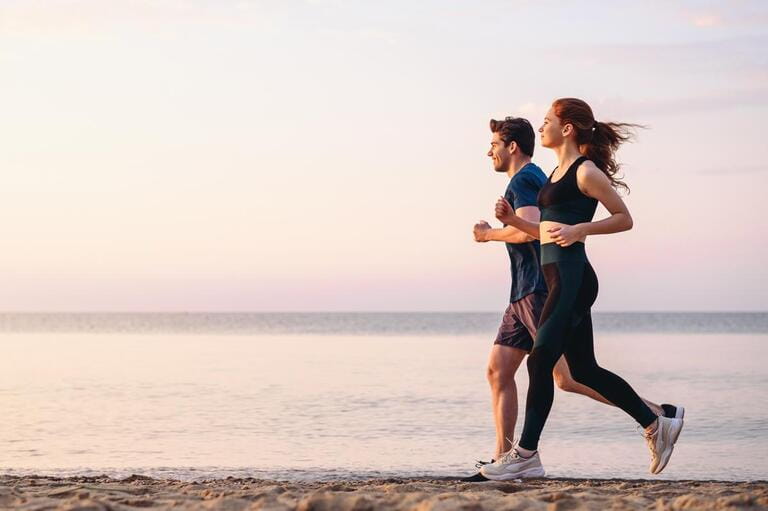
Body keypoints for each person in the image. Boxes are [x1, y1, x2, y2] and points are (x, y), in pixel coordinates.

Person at [480, 99, 684, 481]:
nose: (541, 128)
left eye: (547, 121)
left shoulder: (584, 171)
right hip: (559, 276)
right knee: (584, 370)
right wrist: (510, 224)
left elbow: (624, 218)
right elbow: (547, 230)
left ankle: (525, 455)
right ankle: (656, 422)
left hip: (572, 278)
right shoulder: (555, 172)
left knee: (541, 362)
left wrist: (581, 230)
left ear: (567, 127)